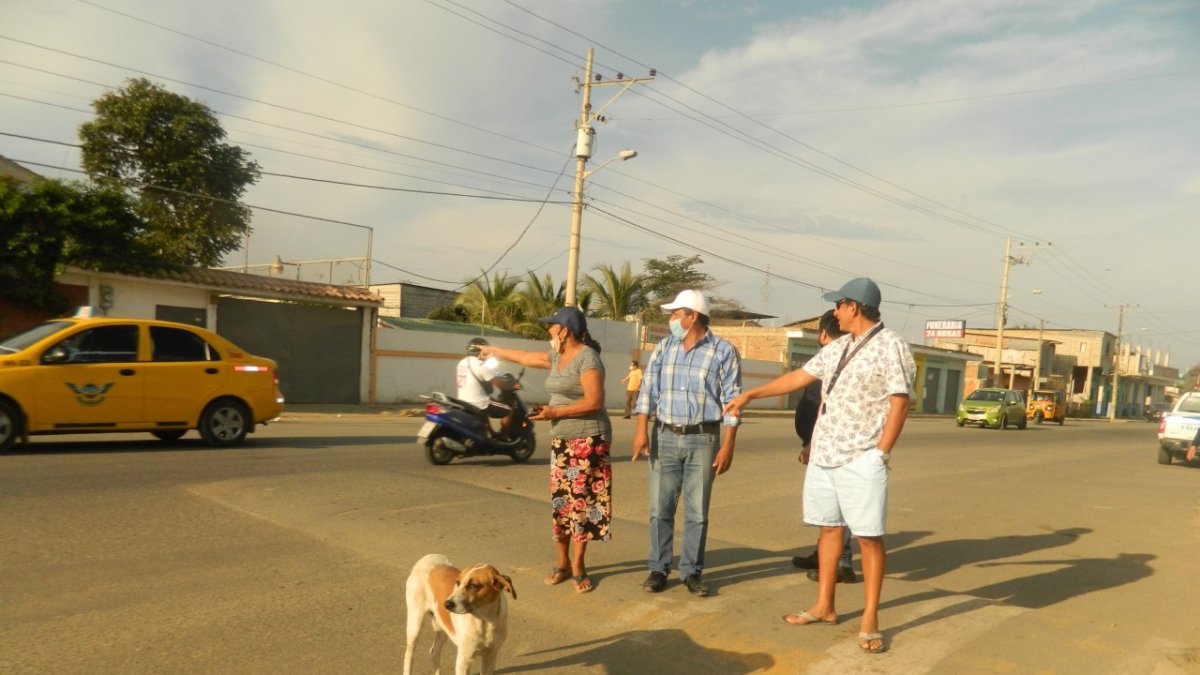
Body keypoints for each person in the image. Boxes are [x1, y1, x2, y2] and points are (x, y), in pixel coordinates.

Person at [725, 277, 915, 654]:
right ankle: (825, 605)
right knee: (829, 530)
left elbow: (900, 401)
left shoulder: (892, 346)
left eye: (838, 306)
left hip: (862, 457)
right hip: (825, 455)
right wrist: (751, 394)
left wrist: (882, 452)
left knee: (868, 538)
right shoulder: (840, 346)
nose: (833, 313)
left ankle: (870, 618)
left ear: (853, 307)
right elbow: (801, 377)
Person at [479, 307, 611, 594]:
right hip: (562, 441)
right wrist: (495, 351)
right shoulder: (556, 356)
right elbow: (526, 358)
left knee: (581, 505)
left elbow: (595, 402)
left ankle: (578, 566)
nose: (548, 330)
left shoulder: (588, 359)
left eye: (552, 326)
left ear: (565, 330)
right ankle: (561, 563)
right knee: (561, 504)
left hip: (587, 440)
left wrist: (555, 411)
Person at [632, 289, 742, 598]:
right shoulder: (664, 348)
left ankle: (692, 571)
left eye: (675, 314)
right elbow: (647, 392)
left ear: (692, 316)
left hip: (703, 438)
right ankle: (658, 568)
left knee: (697, 512)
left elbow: (732, 400)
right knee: (659, 509)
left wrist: (728, 443)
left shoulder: (723, 351)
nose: (670, 320)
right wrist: (641, 430)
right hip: (664, 436)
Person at [791, 310, 855, 584]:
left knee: (841, 507)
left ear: (824, 334)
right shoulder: (828, 360)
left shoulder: (840, 363)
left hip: (837, 448)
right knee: (827, 507)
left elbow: (823, 409)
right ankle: (824, 554)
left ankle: (842, 563)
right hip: (820, 445)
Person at [455, 337, 512, 436]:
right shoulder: (480, 364)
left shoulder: (462, 363)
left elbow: (492, 374)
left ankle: (491, 433)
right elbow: (498, 384)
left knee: (487, 399)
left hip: (463, 401)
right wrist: (512, 386)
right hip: (478, 402)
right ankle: (504, 436)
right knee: (509, 410)